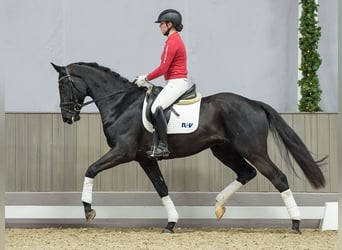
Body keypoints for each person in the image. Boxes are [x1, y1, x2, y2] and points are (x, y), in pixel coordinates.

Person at [135, 9, 191, 158]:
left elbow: (163, 68)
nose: (160, 26)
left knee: (156, 107)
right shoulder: (173, 40)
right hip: (173, 82)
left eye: (162, 24)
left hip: (177, 82)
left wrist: (146, 77)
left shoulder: (172, 42)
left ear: (170, 24)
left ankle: (163, 146)